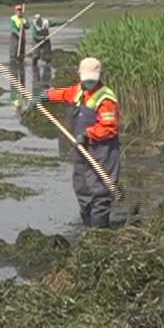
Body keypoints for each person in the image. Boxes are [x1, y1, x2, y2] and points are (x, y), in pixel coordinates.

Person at [44, 57, 120, 228]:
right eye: (86, 80)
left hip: (102, 151)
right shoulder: (79, 90)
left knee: (100, 190)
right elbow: (65, 94)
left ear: (100, 76)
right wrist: (46, 96)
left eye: (93, 80)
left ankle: (100, 232)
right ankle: (88, 227)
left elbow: (109, 127)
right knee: (82, 187)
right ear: (80, 75)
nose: (89, 83)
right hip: (81, 149)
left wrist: (88, 135)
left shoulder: (105, 98)